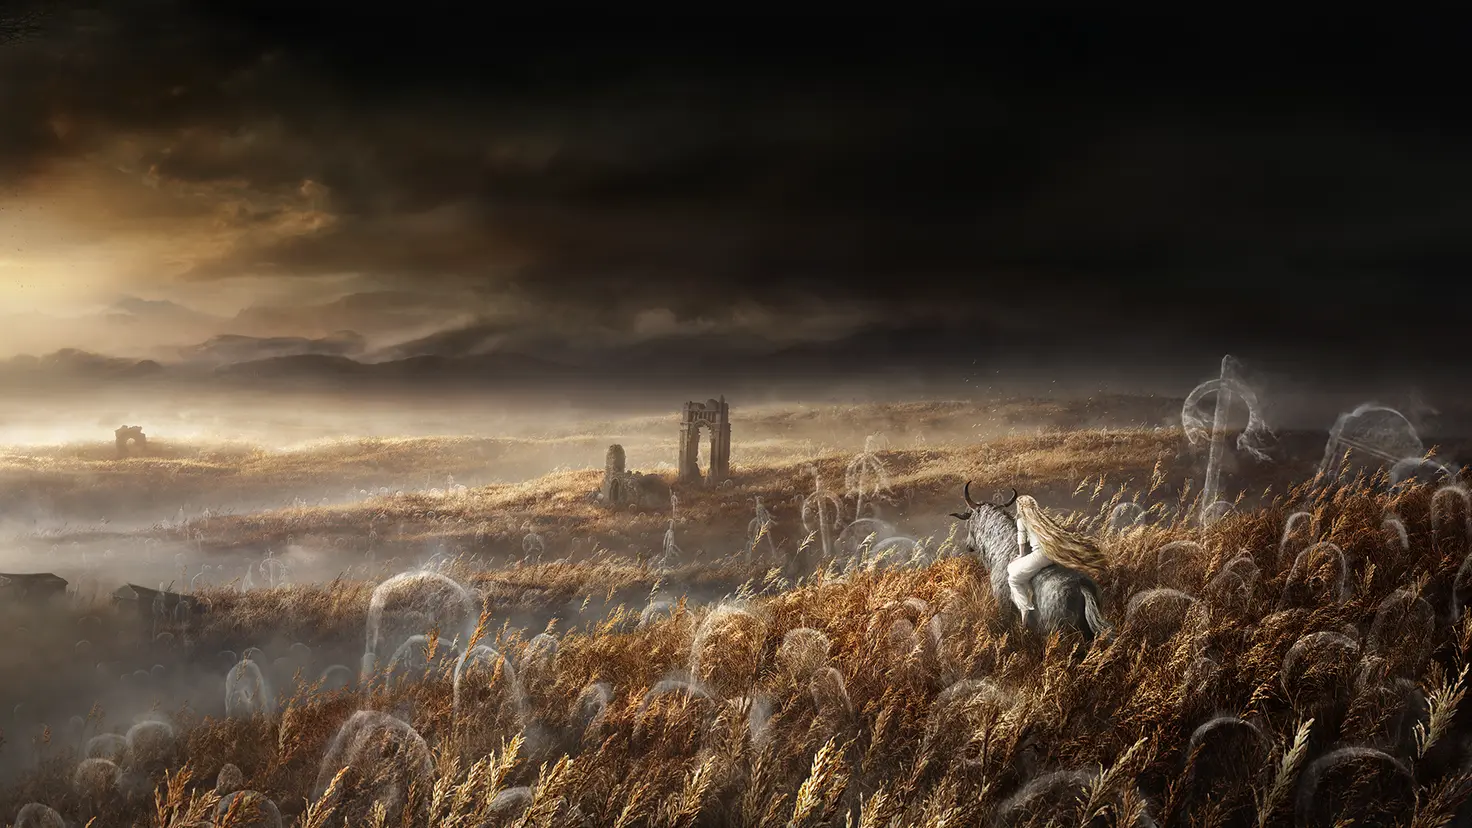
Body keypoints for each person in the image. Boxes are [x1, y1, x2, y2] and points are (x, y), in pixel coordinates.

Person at [1006, 495, 1109, 614]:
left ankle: (1025, 609)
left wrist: (1021, 556)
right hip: (1052, 554)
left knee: (1013, 579)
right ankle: (1029, 593)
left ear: (1020, 507)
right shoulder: (1043, 518)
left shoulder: (1022, 520)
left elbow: (1021, 541)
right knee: (1013, 568)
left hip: (1040, 556)